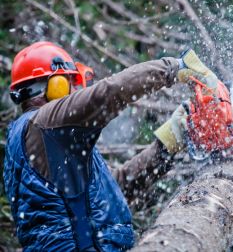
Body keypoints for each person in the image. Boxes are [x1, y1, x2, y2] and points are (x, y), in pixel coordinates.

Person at [4, 42, 217, 251]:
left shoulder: (47, 139)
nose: (75, 90)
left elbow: (113, 191)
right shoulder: (45, 124)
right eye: (70, 82)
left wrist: (166, 145)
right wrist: (175, 67)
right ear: (54, 85)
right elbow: (108, 93)